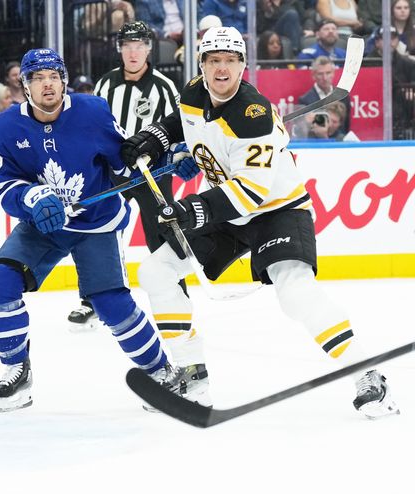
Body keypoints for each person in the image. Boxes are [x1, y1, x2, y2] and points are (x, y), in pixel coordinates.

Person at [119, 26, 398, 418]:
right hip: (227, 212)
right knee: (156, 272)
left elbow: (250, 192)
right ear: (201, 64)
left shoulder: (253, 117)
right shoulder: (195, 92)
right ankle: (191, 374)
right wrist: (155, 137)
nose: (221, 69)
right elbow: (181, 119)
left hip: (277, 210)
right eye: (213, 60)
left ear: (243, 66)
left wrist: (193, 209)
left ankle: (367, 373)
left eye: (230, 61)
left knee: (295, 293)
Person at [0, 48, 173, 413]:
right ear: (24, 86)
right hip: (43, 223)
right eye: (37, 78)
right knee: (0, 283)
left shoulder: (93, 111)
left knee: (110, 304)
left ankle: (160, 371)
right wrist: (33, 198)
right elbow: (3, 186)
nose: (47, 84)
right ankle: (16, 370)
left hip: (95, 221)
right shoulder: (6, 127)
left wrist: (164, 159)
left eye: (53, 76)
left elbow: (125, 164)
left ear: (64, 80)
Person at [65, 21, 188, 331]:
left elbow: (179, 126)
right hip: (112, 170)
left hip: (153, 171)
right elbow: (91, 124)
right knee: (97, 231)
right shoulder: (105, 85)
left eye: (140, 45)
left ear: (149, 48)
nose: (134, 52)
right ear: (120, 49)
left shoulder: (164, 86)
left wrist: (172, 152)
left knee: (162, 233)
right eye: (127, 45)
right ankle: (92, 299)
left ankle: (177, 295)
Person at [297, 56, 351, 134]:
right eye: (320, 74)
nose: (325, 78)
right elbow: (304, 130)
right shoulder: (305, 100)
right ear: (313, 75)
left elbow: (346, 126)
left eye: (328, 73)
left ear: (333, 73)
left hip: (339, 142)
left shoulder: (344, 96)